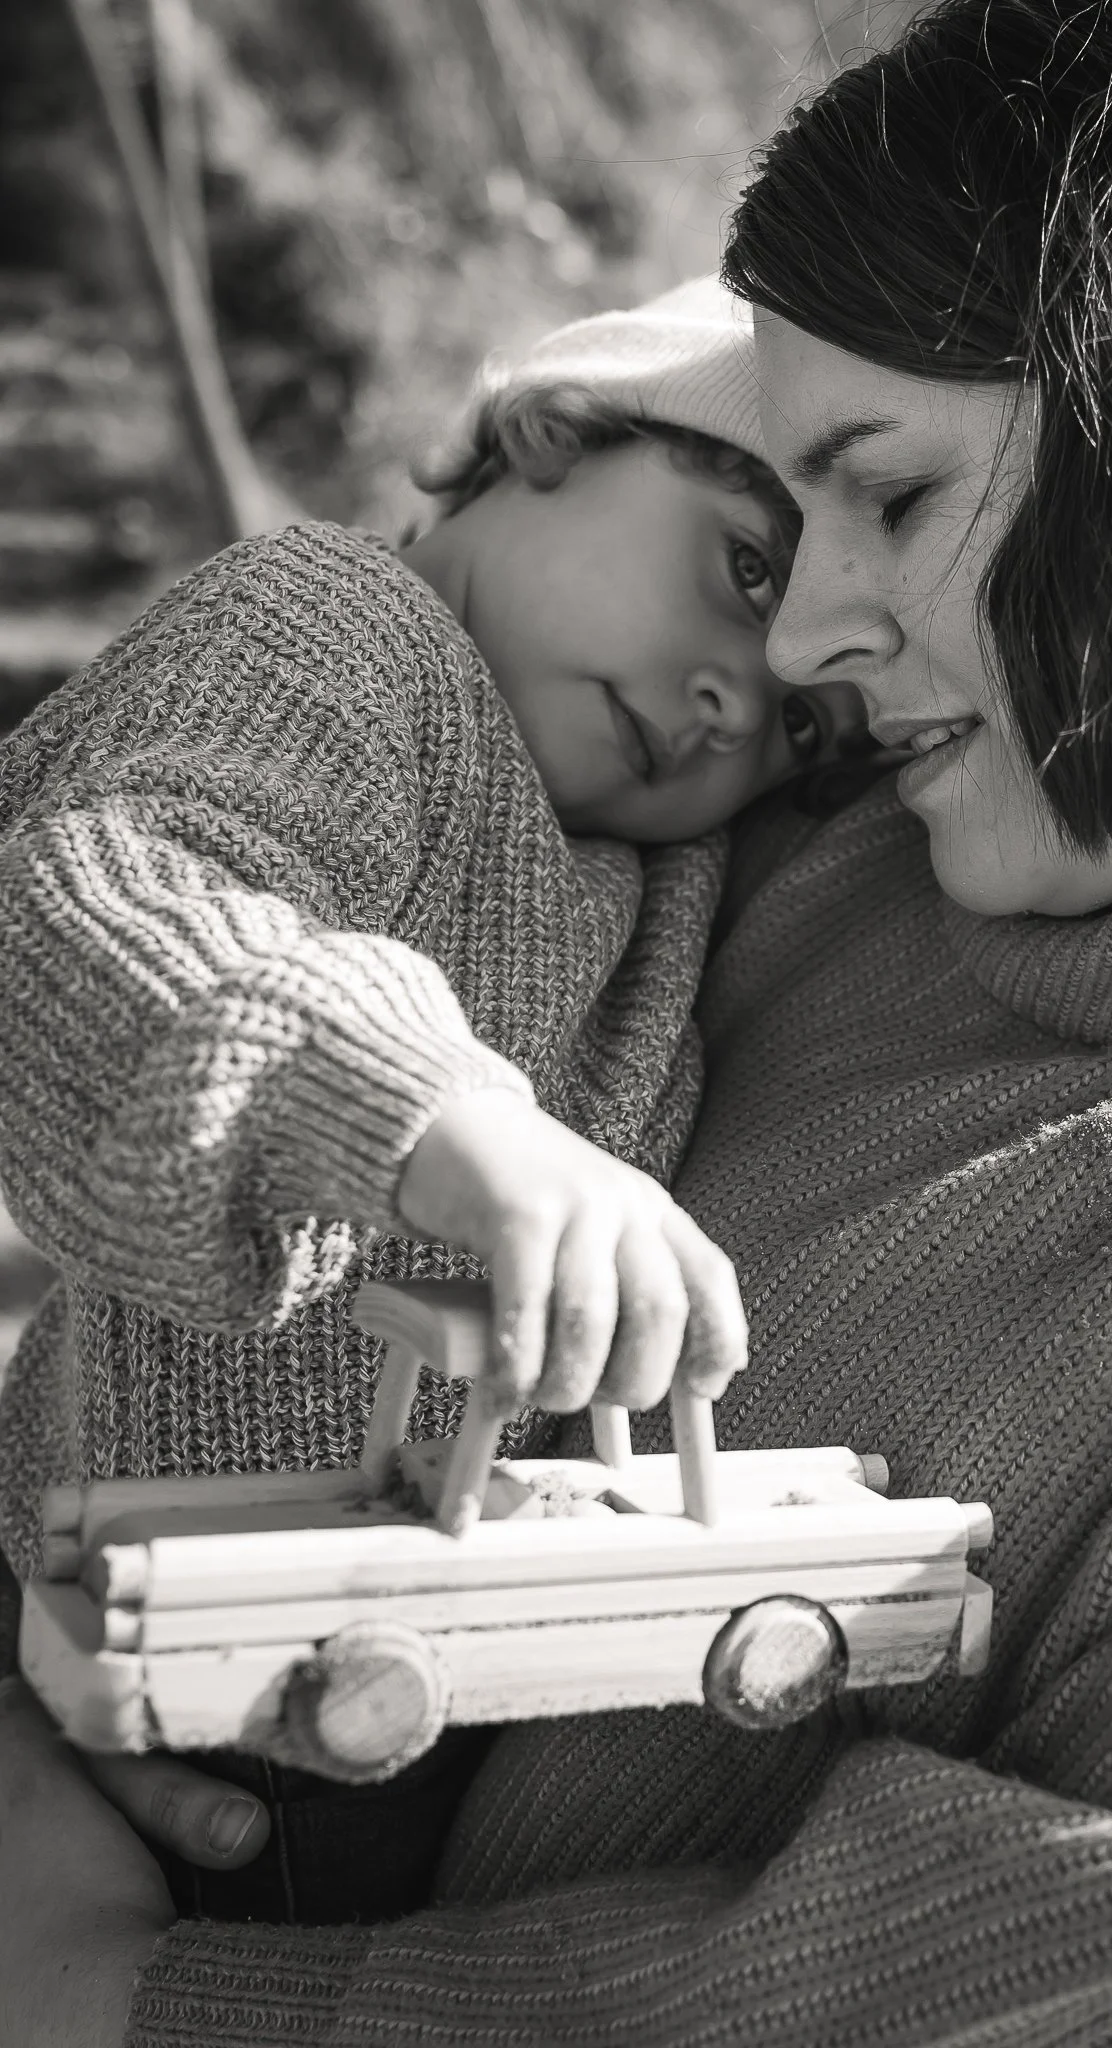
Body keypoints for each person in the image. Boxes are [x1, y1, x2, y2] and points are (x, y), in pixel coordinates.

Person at [8, 0, 1112, 2040]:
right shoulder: (850, 819)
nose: (798, 638)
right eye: (774, 530)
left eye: (887, 490)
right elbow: (172, 978)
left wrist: (122, 1996)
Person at [0, 275, 871, 1926]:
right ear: (548, 433)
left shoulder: (663, 870)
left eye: (807, 724)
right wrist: (444, 1124)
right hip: (143, 1635)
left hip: (418, 1671)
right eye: (743, 567)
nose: (735, 700)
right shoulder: (330, 631)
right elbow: (111, 892)